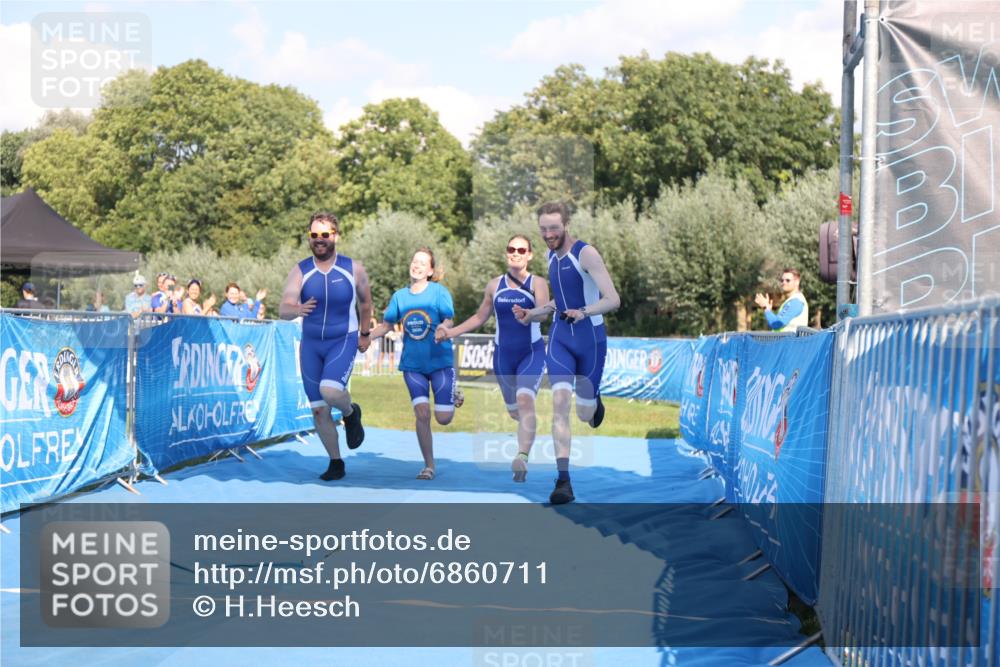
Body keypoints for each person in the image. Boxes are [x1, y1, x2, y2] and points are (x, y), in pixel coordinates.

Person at [513, 202, 621, 505]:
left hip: (591, 340)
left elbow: (613, 299)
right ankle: (563, 481)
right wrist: (531, 313)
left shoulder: (585, 254)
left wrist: (584, 312)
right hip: (560, 340)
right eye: (544, 228)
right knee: (559, 404)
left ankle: (593, 400)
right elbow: (555, 305)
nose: (548, 234)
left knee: (585, 414)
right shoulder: (550, 256)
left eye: (554, 228)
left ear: (566, 225)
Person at [436, 235, 549, 482]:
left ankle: (522, 457)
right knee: (515, 412)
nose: (516, 253)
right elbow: (479, 317)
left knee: (525, 399)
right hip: (502, 357)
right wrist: (450, 332)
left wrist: (528, 314)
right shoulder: (494, 285)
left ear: (529, 255)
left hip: (532, 353)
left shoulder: (537, 283)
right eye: (511, 249)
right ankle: (526, 430)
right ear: (507, 253)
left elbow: (543, 313)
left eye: (521, 250)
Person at [279, 212, 371, 481]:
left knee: (330, 391)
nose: (319, 240)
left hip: (342, 340)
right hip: (311, 346)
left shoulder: (354, 269)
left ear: (335, 236)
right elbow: (283, 308)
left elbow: (365, 304)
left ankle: (350, 413)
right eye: (314, 235)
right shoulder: (300, 270)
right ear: (309, 238)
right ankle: (336, 462)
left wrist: (365, 333)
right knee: (319, 409)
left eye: (325, 235)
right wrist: (296, 308)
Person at [369, 248, 462, 480]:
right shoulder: (400, 297)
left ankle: (453, 391)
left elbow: (449, 318)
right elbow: (387, 325)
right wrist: (365, 337)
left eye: (422, 263)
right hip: (412, 365)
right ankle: (429, 466)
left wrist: (444, 327)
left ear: (430, 270)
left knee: (444, 418)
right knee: (422, 413)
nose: (417, 266)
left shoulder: (439, 292)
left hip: (440, 362)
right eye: (414, 261)